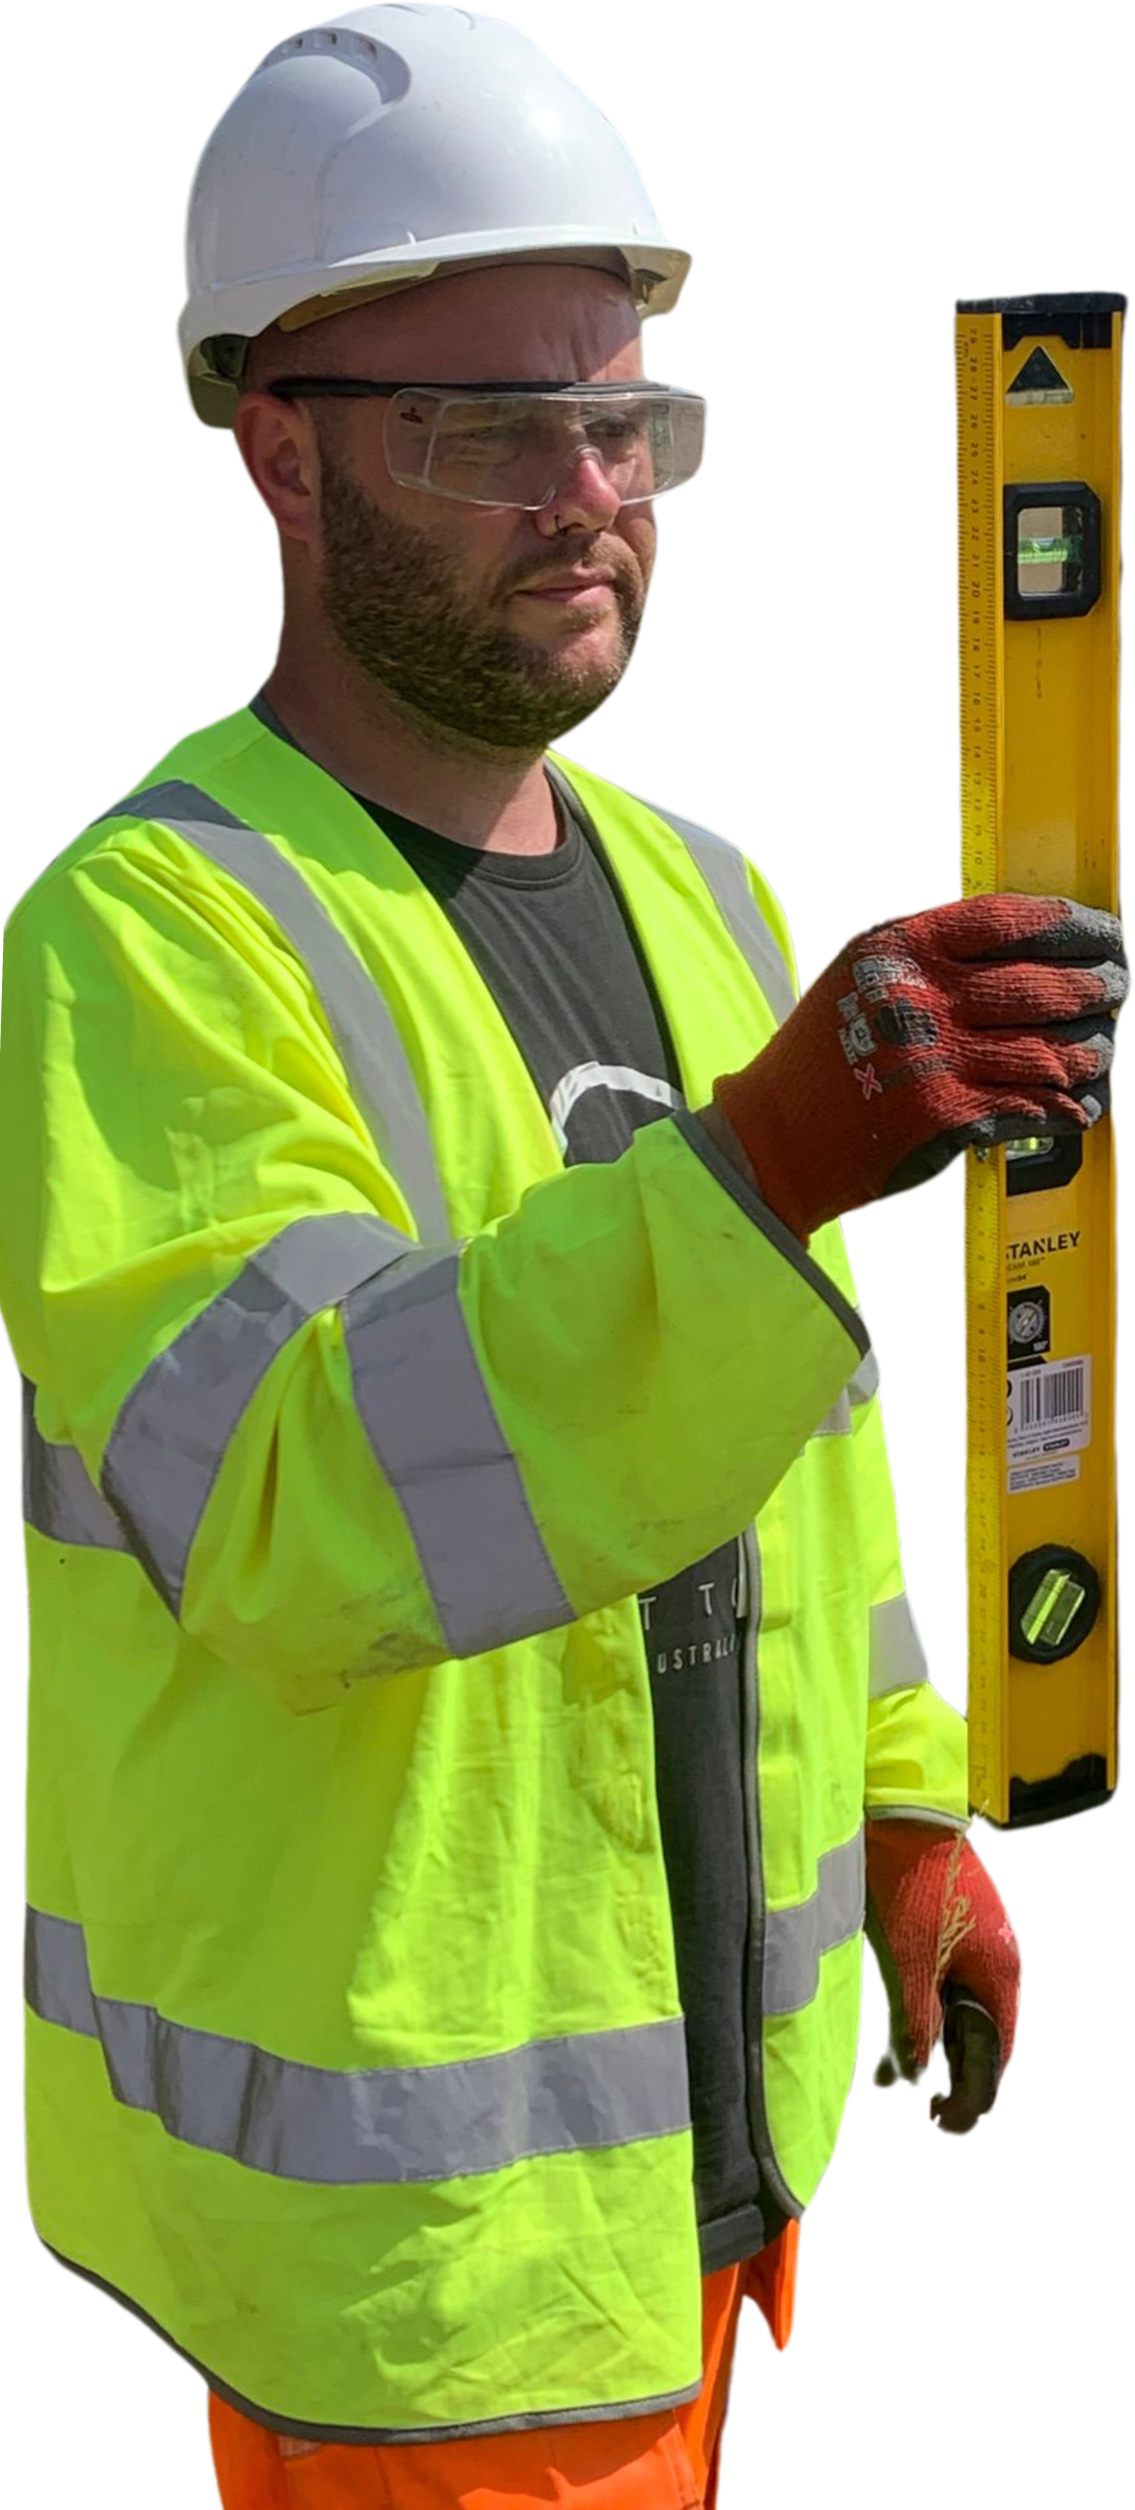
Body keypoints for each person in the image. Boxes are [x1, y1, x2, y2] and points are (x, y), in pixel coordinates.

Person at [4, 10, 1129, 2508]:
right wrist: (756, 1169)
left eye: (629, 420)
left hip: (709, 2185)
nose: (588, 493)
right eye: (488, 425)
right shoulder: (151, 937)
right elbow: (298, 1506)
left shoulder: (710, 892)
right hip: (419, 2292)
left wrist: (911, 1809)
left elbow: (810, 1455)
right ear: (275, 448)